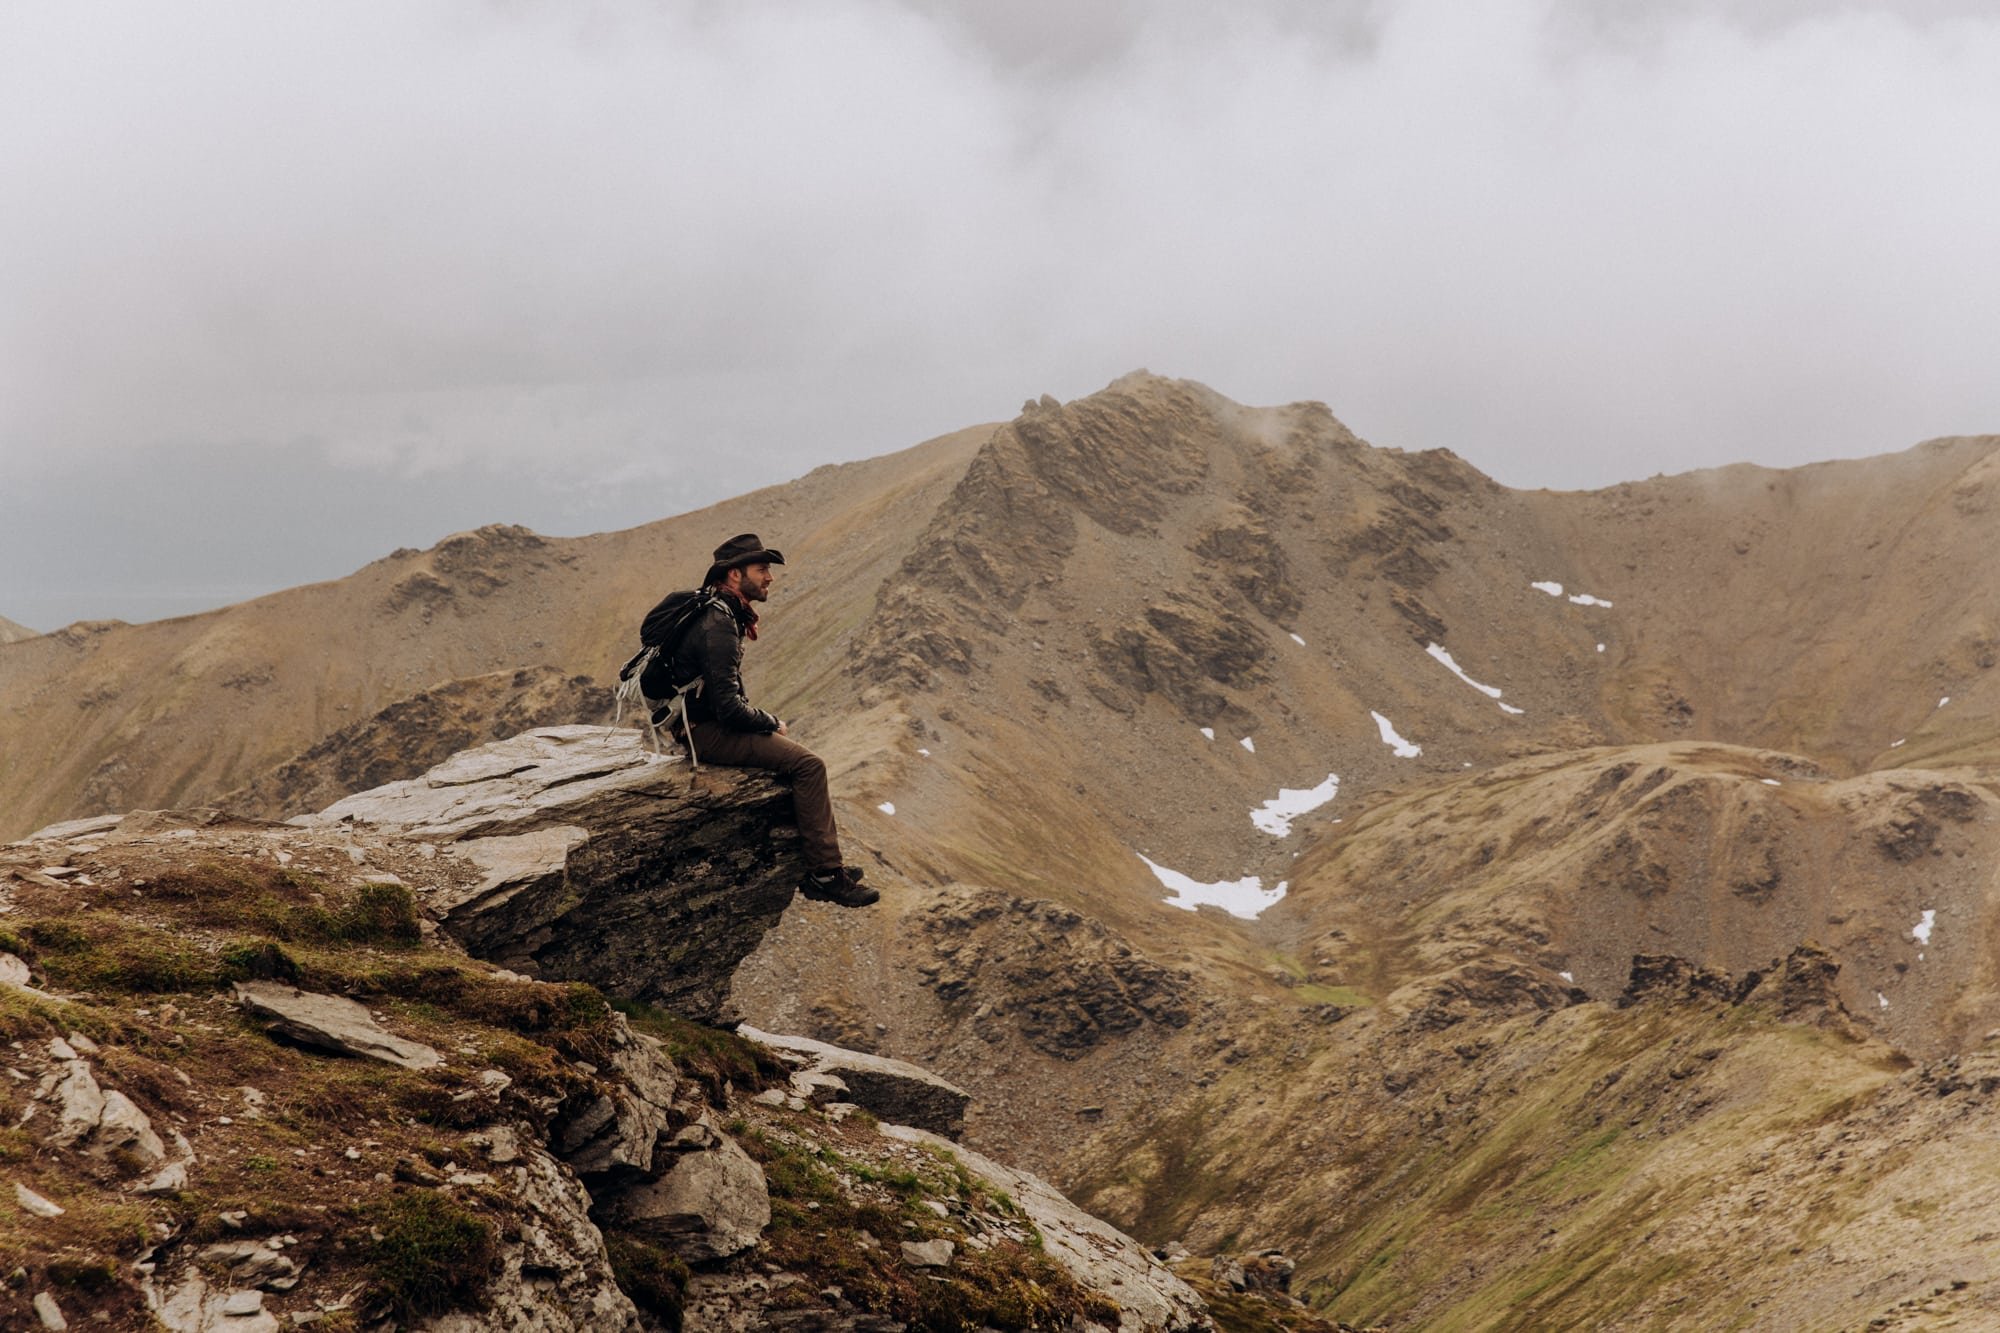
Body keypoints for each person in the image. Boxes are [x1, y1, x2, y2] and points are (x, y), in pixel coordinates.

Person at [670, 533, 877, 908]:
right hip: (707, 733)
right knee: (809, 766)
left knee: (794, 763)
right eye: (762, 569)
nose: (770, 577)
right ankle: (826, 874)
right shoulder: (719, 624)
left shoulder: (719, 612)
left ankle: (815, 861)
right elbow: (728, 707)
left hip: (700, 724)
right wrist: (770, 722)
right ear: (735, 575)